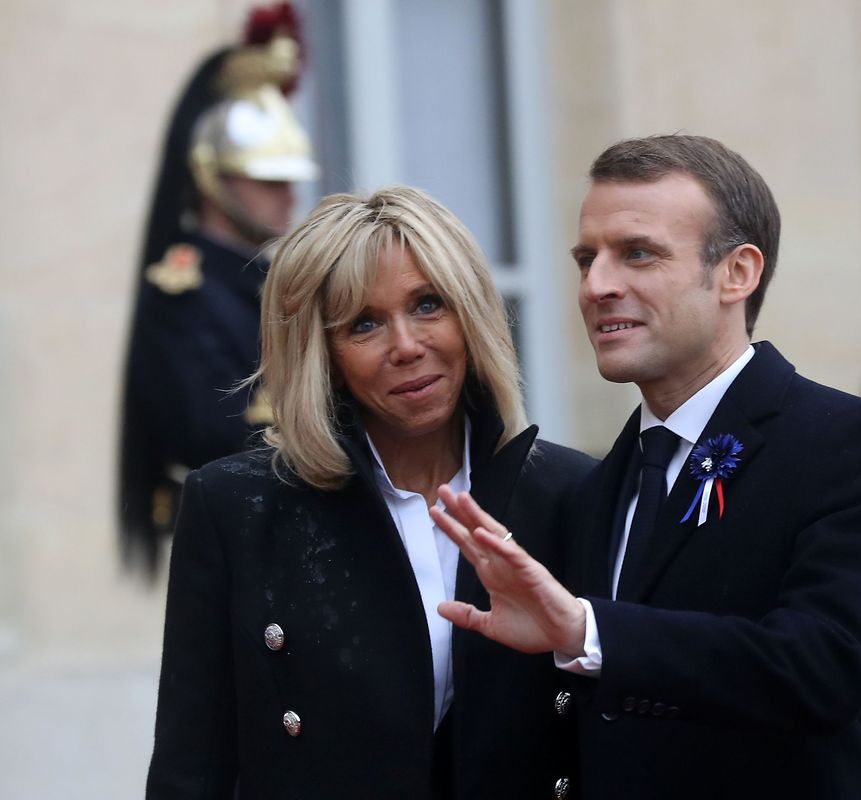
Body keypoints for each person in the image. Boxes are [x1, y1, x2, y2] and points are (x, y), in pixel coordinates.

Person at [432, 134, 861, 798]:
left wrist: (589, 630)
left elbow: (826, 667)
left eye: (637, 254)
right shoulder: (596, 486)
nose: (597, 285)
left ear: (737, 273)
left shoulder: (855, 444)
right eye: (587, 259)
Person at [145, 186, 594, 799]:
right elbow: (190, 769)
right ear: (320, 354)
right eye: (364, 324)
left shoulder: (573, 492)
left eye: (429, 304)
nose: (407, 346)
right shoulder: (234, 507)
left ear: (472, 314)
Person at [119, 2, 319, 575]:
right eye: (267, 179)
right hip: (236, 531)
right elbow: (214, 432)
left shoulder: (270, 278)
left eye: (289, 179)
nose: (288, 195)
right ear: (214, 177)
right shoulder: (182, 290)